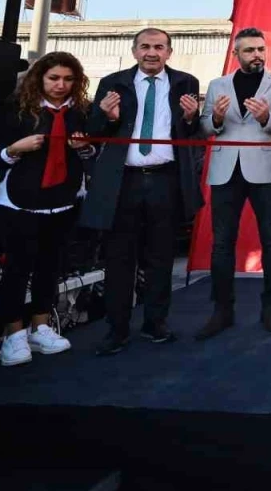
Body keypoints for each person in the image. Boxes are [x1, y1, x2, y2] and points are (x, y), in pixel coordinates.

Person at [84, 28, 202, 357]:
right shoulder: (113, 83)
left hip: (166, 180)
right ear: (134, 51)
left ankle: (155, 323)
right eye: (146, 46)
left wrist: (191, 118)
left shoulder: (186, 82)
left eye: (159, 47)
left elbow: (191, 133)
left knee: (161, 258)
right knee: (119, 258)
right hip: (123, 182)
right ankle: (116, 329)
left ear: (169, 52)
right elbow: (93, 131)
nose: (152, 52)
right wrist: (107, 117)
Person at [0, 53, 93, 366]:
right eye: (54, 78)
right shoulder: (16, 109)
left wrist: (85, 148)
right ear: (40, 78)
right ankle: (13, 335)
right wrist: (15, 149)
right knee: (17, 269)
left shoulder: (81, 112)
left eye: (68, 79)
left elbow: (91, 156)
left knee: (50, 267)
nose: (61, 85)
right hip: (19, 202)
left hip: (63, 202)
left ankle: (40, 327)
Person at [196, 28, 271, 339]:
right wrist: (215, 118)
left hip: (266, 169)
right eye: (250, 50)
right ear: (236, 54)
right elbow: (204, 127)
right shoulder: (218, 84)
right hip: (226, 170)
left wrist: (268, 119)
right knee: (222, 242)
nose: (257, 55)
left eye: (261, 49)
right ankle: (222, 310)